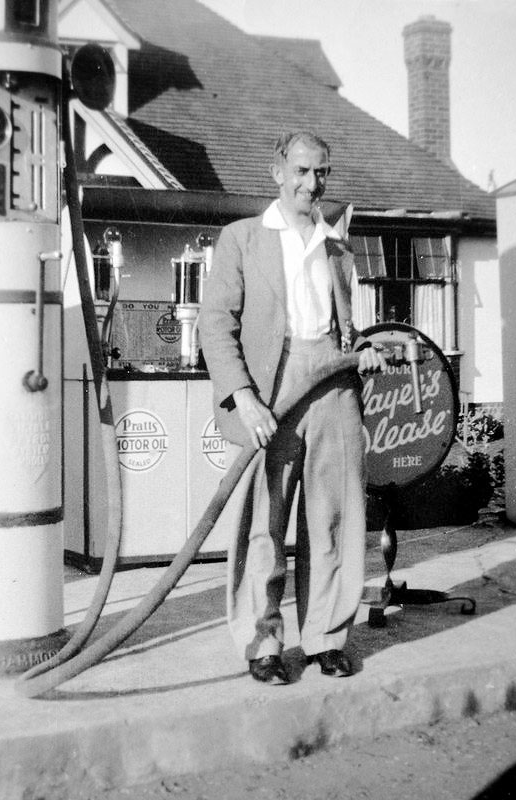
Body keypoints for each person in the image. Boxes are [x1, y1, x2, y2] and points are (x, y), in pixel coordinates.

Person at [199, 131, 387, 684]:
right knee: (265, 523)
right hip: (271, 393)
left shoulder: (337, 246)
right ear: (276, 171)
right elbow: (216, 325)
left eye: (321, 173)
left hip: (332, 384)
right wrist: (243, 396)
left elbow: (343, 328)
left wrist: (362, 352)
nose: (313, 183)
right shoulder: (242, 239)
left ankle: (326, 636)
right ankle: (262, 644)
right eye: (302, 171)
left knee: (333, 518)